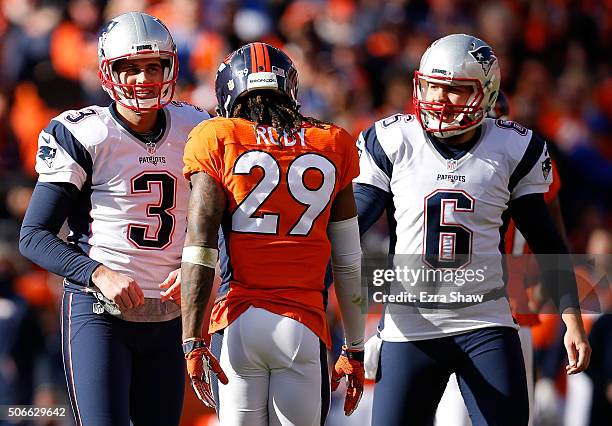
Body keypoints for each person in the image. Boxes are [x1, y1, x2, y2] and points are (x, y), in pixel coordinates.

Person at [354, 34, 591, 425]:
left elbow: (546, 241)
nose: (440, 100)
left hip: (485, 323)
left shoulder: (513, 147)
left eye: (457, 90)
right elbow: (353, 223)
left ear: (486, 93)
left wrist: (572, 320)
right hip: (410, 324)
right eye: (433, 86)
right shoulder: (394, 139)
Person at [19, 12, 210, 426]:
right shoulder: (86, 133)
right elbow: (33, 235)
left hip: (170, 315)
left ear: (170, 67)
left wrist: (199, 263)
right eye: (131, 67)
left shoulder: (197, 128)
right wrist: (97, 273)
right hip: (99, 311)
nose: (143, 78)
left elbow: (226, 218)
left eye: (153, 66)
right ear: (109, 72)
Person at [180, 42, 365, 426]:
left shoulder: (216, 136)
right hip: (303, 323)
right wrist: (356, 347)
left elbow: (200, 248)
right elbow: (348, 260)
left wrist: (191, 340)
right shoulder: (332, 141)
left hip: (238, 320)